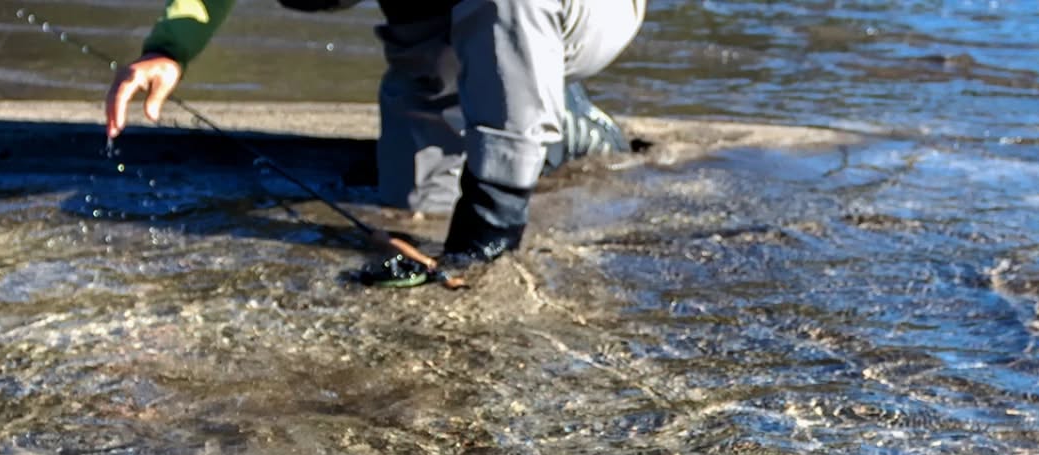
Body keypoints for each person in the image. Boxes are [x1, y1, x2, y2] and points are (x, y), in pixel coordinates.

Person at [105, 0, 644, 283]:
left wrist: (483, 235)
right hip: (439, 21)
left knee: (484, 222)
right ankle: (541, 126)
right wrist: (170, 49)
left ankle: (549, 125)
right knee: (414, 205)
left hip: (582, 11)